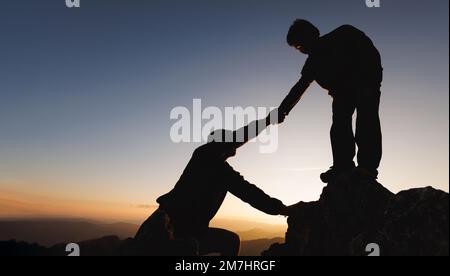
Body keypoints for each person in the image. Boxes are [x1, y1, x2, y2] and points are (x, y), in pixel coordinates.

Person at [134, 115, 289, 256]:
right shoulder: (205, 156)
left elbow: (249, 192)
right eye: (229, 139)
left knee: (230, 241)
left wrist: (279, 209)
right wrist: (267, 121)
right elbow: (249, 192)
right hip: (166, 228)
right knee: (224, 242)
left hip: (190, 230)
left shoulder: (219, 169)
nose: (235, 144)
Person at [277, 20, 383, 183]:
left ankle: (367, 168)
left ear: (310, 34)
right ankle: (343, 165)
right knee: (339, 125)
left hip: (364, 83)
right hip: (342, 93)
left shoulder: (344, 33)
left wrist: (371, 79)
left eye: (299, 45)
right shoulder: (312, 62)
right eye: (297, 48)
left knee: (366, 120)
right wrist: (283, 109)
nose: (301, 50)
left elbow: (370, 52)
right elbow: (301, 86)